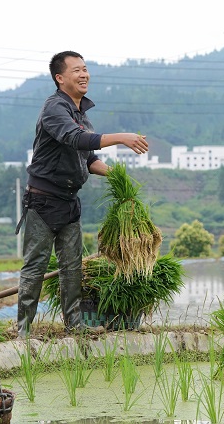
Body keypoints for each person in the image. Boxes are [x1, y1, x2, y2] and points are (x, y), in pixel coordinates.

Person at [15, 50, 148, 338]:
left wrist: (115, 175)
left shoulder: (81, 113)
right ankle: (23, 332)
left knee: (72, 267)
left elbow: (87, 157)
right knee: (35, 267)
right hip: (43, 200)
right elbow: (76, 139)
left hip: (69, 200)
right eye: (76, 70)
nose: (84, 74)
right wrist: (121, 137)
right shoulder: (54, 109)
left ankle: (74, 326)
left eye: (85, 69)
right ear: (60, 78)